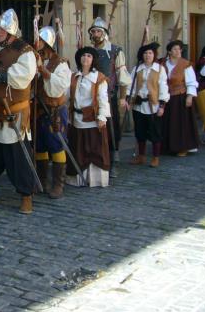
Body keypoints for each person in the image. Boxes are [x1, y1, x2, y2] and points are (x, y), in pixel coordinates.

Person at [0, 8, 38, 214]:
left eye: (3, 29)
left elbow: (22, 76)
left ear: (12, 31)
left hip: (12, 114)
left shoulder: (25, 51)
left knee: (17, 158)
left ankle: (26, 195)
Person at [87, 17, 131, 177]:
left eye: (98, 31)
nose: (95, 34)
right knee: (94, 130)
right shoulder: (89, 51)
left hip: (109, 97)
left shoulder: (115, 51)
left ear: (104, 33)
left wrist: (123, 97)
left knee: (111, 130)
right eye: (93, 31)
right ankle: (96, 161)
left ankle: (113, 161)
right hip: (91, 97)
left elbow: (122, 74)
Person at [32, 26, 71, 198]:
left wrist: (43, 71)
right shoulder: (36, 59)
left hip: (54, 111)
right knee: (40, 146)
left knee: (56, 146)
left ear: (47, 42)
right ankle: (42, 180)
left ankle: (58, 184)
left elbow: (59, 86)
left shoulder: (60, 63)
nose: (37, 43)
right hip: (39, 110)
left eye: (40, 40)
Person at [66, 47, 111, 187]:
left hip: (92, 120)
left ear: (93, 60)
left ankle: (94, 180)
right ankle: (77, 179)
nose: (85, 58)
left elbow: (103, 99)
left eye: (89, 56)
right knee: (78, 149)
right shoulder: (74, 77)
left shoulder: (99, 78)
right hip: (76, 120)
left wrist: (102, 117)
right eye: (83, 55)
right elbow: (67, 97)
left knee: (93, 150)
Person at [126, 42, 169, 167]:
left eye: (150, 53)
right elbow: (131, 85)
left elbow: (163, 87)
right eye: (145, 53)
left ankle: (155, 157)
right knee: (140, 132)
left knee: (155, 132)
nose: (147, 55)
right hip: (139, 105)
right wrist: (128, 99)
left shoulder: (159, 69)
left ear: (154, 55)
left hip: (153, 105)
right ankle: (141, 156)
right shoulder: (137, 69)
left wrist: (162, 105)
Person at [161, 40, 199, 157]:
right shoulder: (163, 64)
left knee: (181, 123)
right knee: (168, 123)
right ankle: (168, 146)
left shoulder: (185, 64)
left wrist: (190, 96)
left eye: (179, 49)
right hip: (166, 97)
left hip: (180, 97)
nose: (178, 51)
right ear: (169, 52)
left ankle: (183, 147)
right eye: (175, 49)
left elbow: (191, 82)